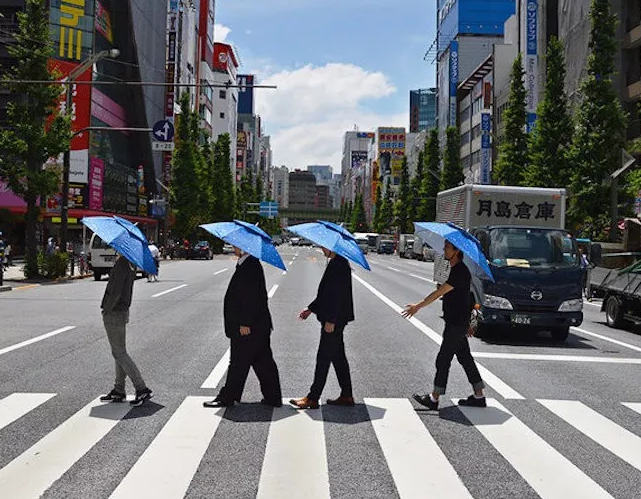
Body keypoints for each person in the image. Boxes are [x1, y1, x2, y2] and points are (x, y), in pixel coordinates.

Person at [402, 241, 486, 410]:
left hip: (455, 324)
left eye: (448, 247)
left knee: (443, 359)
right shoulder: (456, 270)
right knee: (465, 358)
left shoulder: (460, 271)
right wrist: (468, 322)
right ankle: (479, 395)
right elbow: (465, 297)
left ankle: (434, 398)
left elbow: (438, 294)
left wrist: (416, 307)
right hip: (458, 322)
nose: (444, 250)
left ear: (456, 251)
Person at [204, 246, 282, 408]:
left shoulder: (250, 266)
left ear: (245, 248)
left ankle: (228, 397)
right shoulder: (247, 264)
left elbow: (250, 297)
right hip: (257, 325)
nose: (233, 247)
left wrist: (245, 322)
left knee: (239, 362)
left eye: (236, 245)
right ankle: (273, 397)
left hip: (249, 326)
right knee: (262, 362)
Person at [290, 248, 355, 409]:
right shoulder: (337, 263)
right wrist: (311, 309)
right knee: (338, 358)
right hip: (335, 319)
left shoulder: (338, 265)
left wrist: (331, 320)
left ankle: (313, 397)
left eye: (323, 246)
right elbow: (326, 294)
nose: (322, 249)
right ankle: (346, 395)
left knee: (323, 358)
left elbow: (337, 295)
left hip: (333, 320)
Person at [100, 254, 153, 406]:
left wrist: (107, 309)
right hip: (121, 310)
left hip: (115, 311)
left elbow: (115, 291)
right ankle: (119, 389)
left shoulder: (122, 265)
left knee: (119, 353)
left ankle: (141, 388)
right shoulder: (129, 263)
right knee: (119, 351)